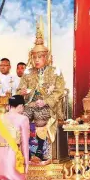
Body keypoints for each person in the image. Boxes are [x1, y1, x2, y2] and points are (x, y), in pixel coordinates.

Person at [17, 20, 65, 161]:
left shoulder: (55, 71)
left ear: (47, 58)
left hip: (47, 105)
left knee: (40, 118)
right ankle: (22, 150)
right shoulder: (27, 72)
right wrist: (23, 92)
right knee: (20, 117)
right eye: (35, 57)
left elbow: (59, 91)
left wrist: (45, 101)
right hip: (30, 104)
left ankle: (39, 150)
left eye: (40, 57)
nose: (37, 60)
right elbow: (20, 88)